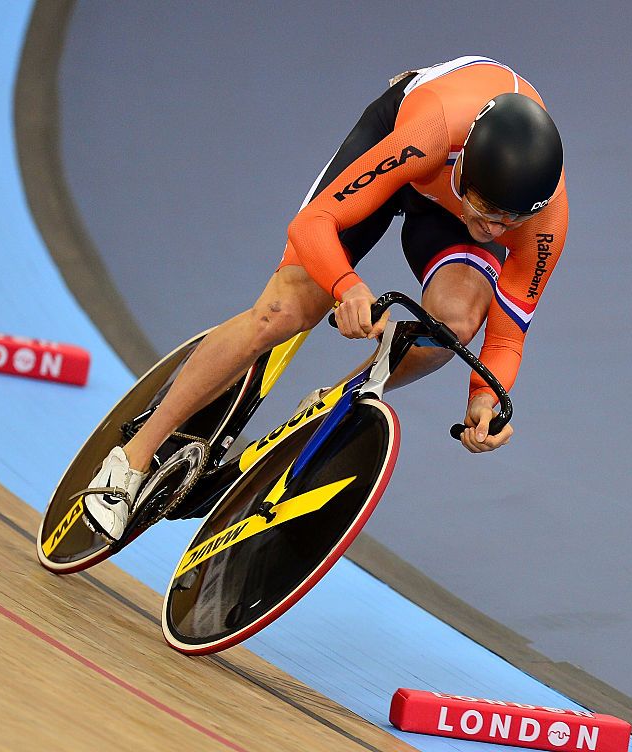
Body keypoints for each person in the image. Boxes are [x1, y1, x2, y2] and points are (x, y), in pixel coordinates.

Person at [83, 55, 569, 541]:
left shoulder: (543, 223)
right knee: (285, 310)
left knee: (452, 328)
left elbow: (506, 341)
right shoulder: (430, 134)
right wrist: (347, 287)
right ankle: (132, 459)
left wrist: (484, 398)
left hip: (448, 205)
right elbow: (311, 225)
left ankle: (329, 407)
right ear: (465, 163)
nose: (491, 230)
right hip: (403, 153)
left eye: (509, 222)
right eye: (486, 211)